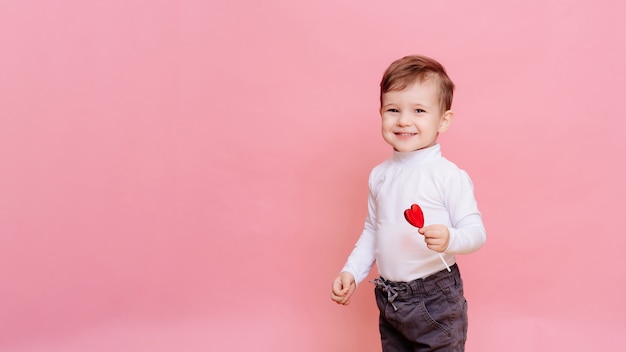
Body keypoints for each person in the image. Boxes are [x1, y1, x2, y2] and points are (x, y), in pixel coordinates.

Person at [330, 55, 486, 352]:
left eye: (418, 110)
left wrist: (450, 238)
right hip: (390, 299)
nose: (403, 120)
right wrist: (352, 271)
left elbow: (476, 232)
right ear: (380, 113)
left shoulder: (448, 176)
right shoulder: (380, 175)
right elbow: (373, 231)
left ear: (443, 119)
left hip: (434, 298)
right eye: (393, 109)